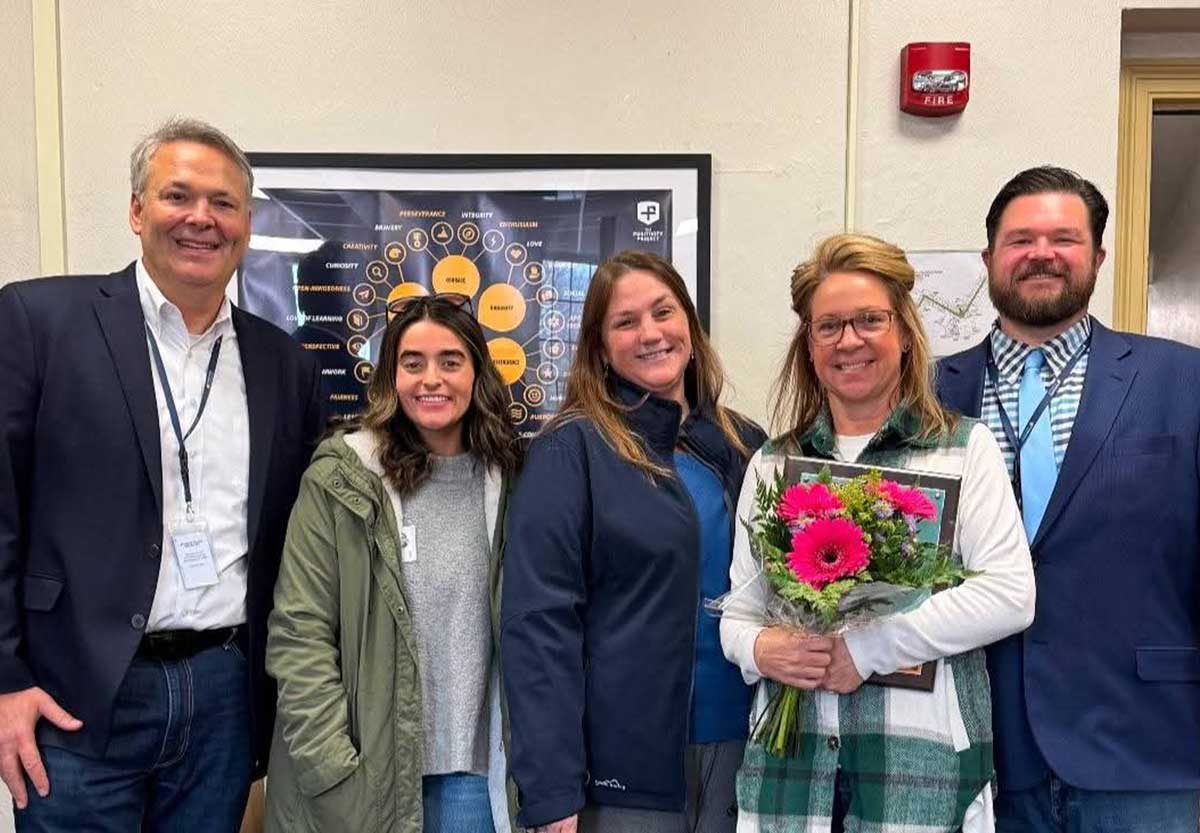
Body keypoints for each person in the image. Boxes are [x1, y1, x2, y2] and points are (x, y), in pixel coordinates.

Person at [0, 118, 325, 831]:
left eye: (223, 202)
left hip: (223, 694)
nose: (201, 218)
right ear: (137, 210)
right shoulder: (38, 321)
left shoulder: (287, 365)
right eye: (178, 195)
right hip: (78, 691)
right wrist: (6, 681)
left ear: (246, 223)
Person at [722, 233, 1035, 833]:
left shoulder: (963, 450)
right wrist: (763, 649)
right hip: (792, 772)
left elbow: (1010, 595)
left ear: (904, 331)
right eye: (829, 326)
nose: (850, 341)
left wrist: (868, 650)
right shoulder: (773, 464)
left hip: (918, 770)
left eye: (870, 319)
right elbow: (738, 614)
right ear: (808, 346)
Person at [937, 166, 1200, 833]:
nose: (1042, 253)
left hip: (1147, 747)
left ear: (1098, 257)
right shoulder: (930, 391)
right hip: (977, 754)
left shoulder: (1182, 379)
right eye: (1020, 239)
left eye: (1064, 238)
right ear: (989, 257)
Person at [501, 250, 766, 833]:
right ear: (600, 346)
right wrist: (549, 789)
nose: (650, 333)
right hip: (622, 771)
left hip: (744, 750)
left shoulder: (746, 445)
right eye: (625, 322)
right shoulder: (571, 451)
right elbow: (539, 624)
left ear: (690, 331)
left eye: (663, 312)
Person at [263, 292, 521, 833]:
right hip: (366, 782)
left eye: (451, 361)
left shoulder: (514, 481)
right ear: (390, 378)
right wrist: (333, 770)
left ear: (477, 373)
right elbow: (299, 634)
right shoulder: (340, 481)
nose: (432, 379)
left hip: (478, 785)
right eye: (413, 363)